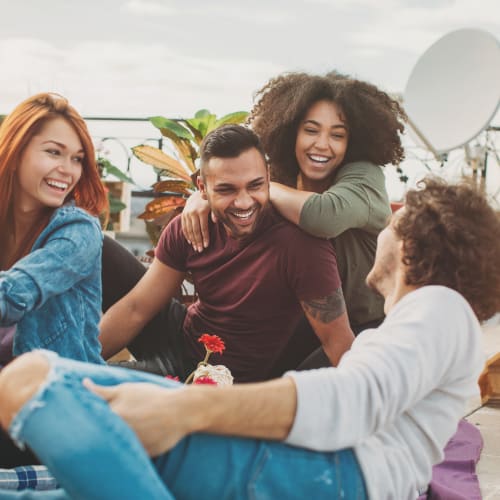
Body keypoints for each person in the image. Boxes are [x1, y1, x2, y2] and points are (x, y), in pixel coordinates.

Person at [1, 177, 498, 499]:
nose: (381, 233)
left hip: (329, 475)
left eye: (391, 222)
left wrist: (184, 410)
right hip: (315, 469)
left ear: (413, 243)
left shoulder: (440, 305)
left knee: (29, 382)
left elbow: (354, 400)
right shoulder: (427, 322)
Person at [182, 71, 407, 372]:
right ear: (291, 131)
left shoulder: (365, 177)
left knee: (295, 392)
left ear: (353, 141)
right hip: (302, 322)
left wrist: (258, 187)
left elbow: (322, 216)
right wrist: (203, 196)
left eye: (337, 135)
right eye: (311, 130)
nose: (322, 145)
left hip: (365, 327)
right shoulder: (285, 175)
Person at [99, 124, 354, 383]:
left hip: (220, 381)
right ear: (202, 187)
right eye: (226, 189)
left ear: (268, 176)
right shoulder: (192, 225)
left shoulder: (301, 245)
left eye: (255, 185)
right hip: (181, 334)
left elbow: (339, 345)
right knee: (97, 246)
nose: (244, 202)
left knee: (96, 389)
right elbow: (137, 308)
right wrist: (78, 362)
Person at [0, 93, 107, 467]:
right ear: (15, 150)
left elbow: (12, 296)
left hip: (60, 409)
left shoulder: (78, 231)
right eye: (54, 152)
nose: (68, 169)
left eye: (77, 159)